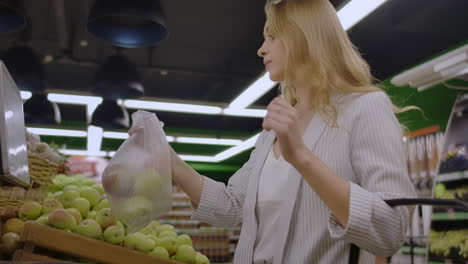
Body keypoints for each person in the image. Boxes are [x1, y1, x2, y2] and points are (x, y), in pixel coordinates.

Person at [132, 0, 416, 263]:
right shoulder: (275, 130)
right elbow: (231, 206)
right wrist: (168, 158)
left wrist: (302, 157)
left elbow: (390, 230)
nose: (261, 49)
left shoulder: (365, 109)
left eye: (272, 35)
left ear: (303, 37)